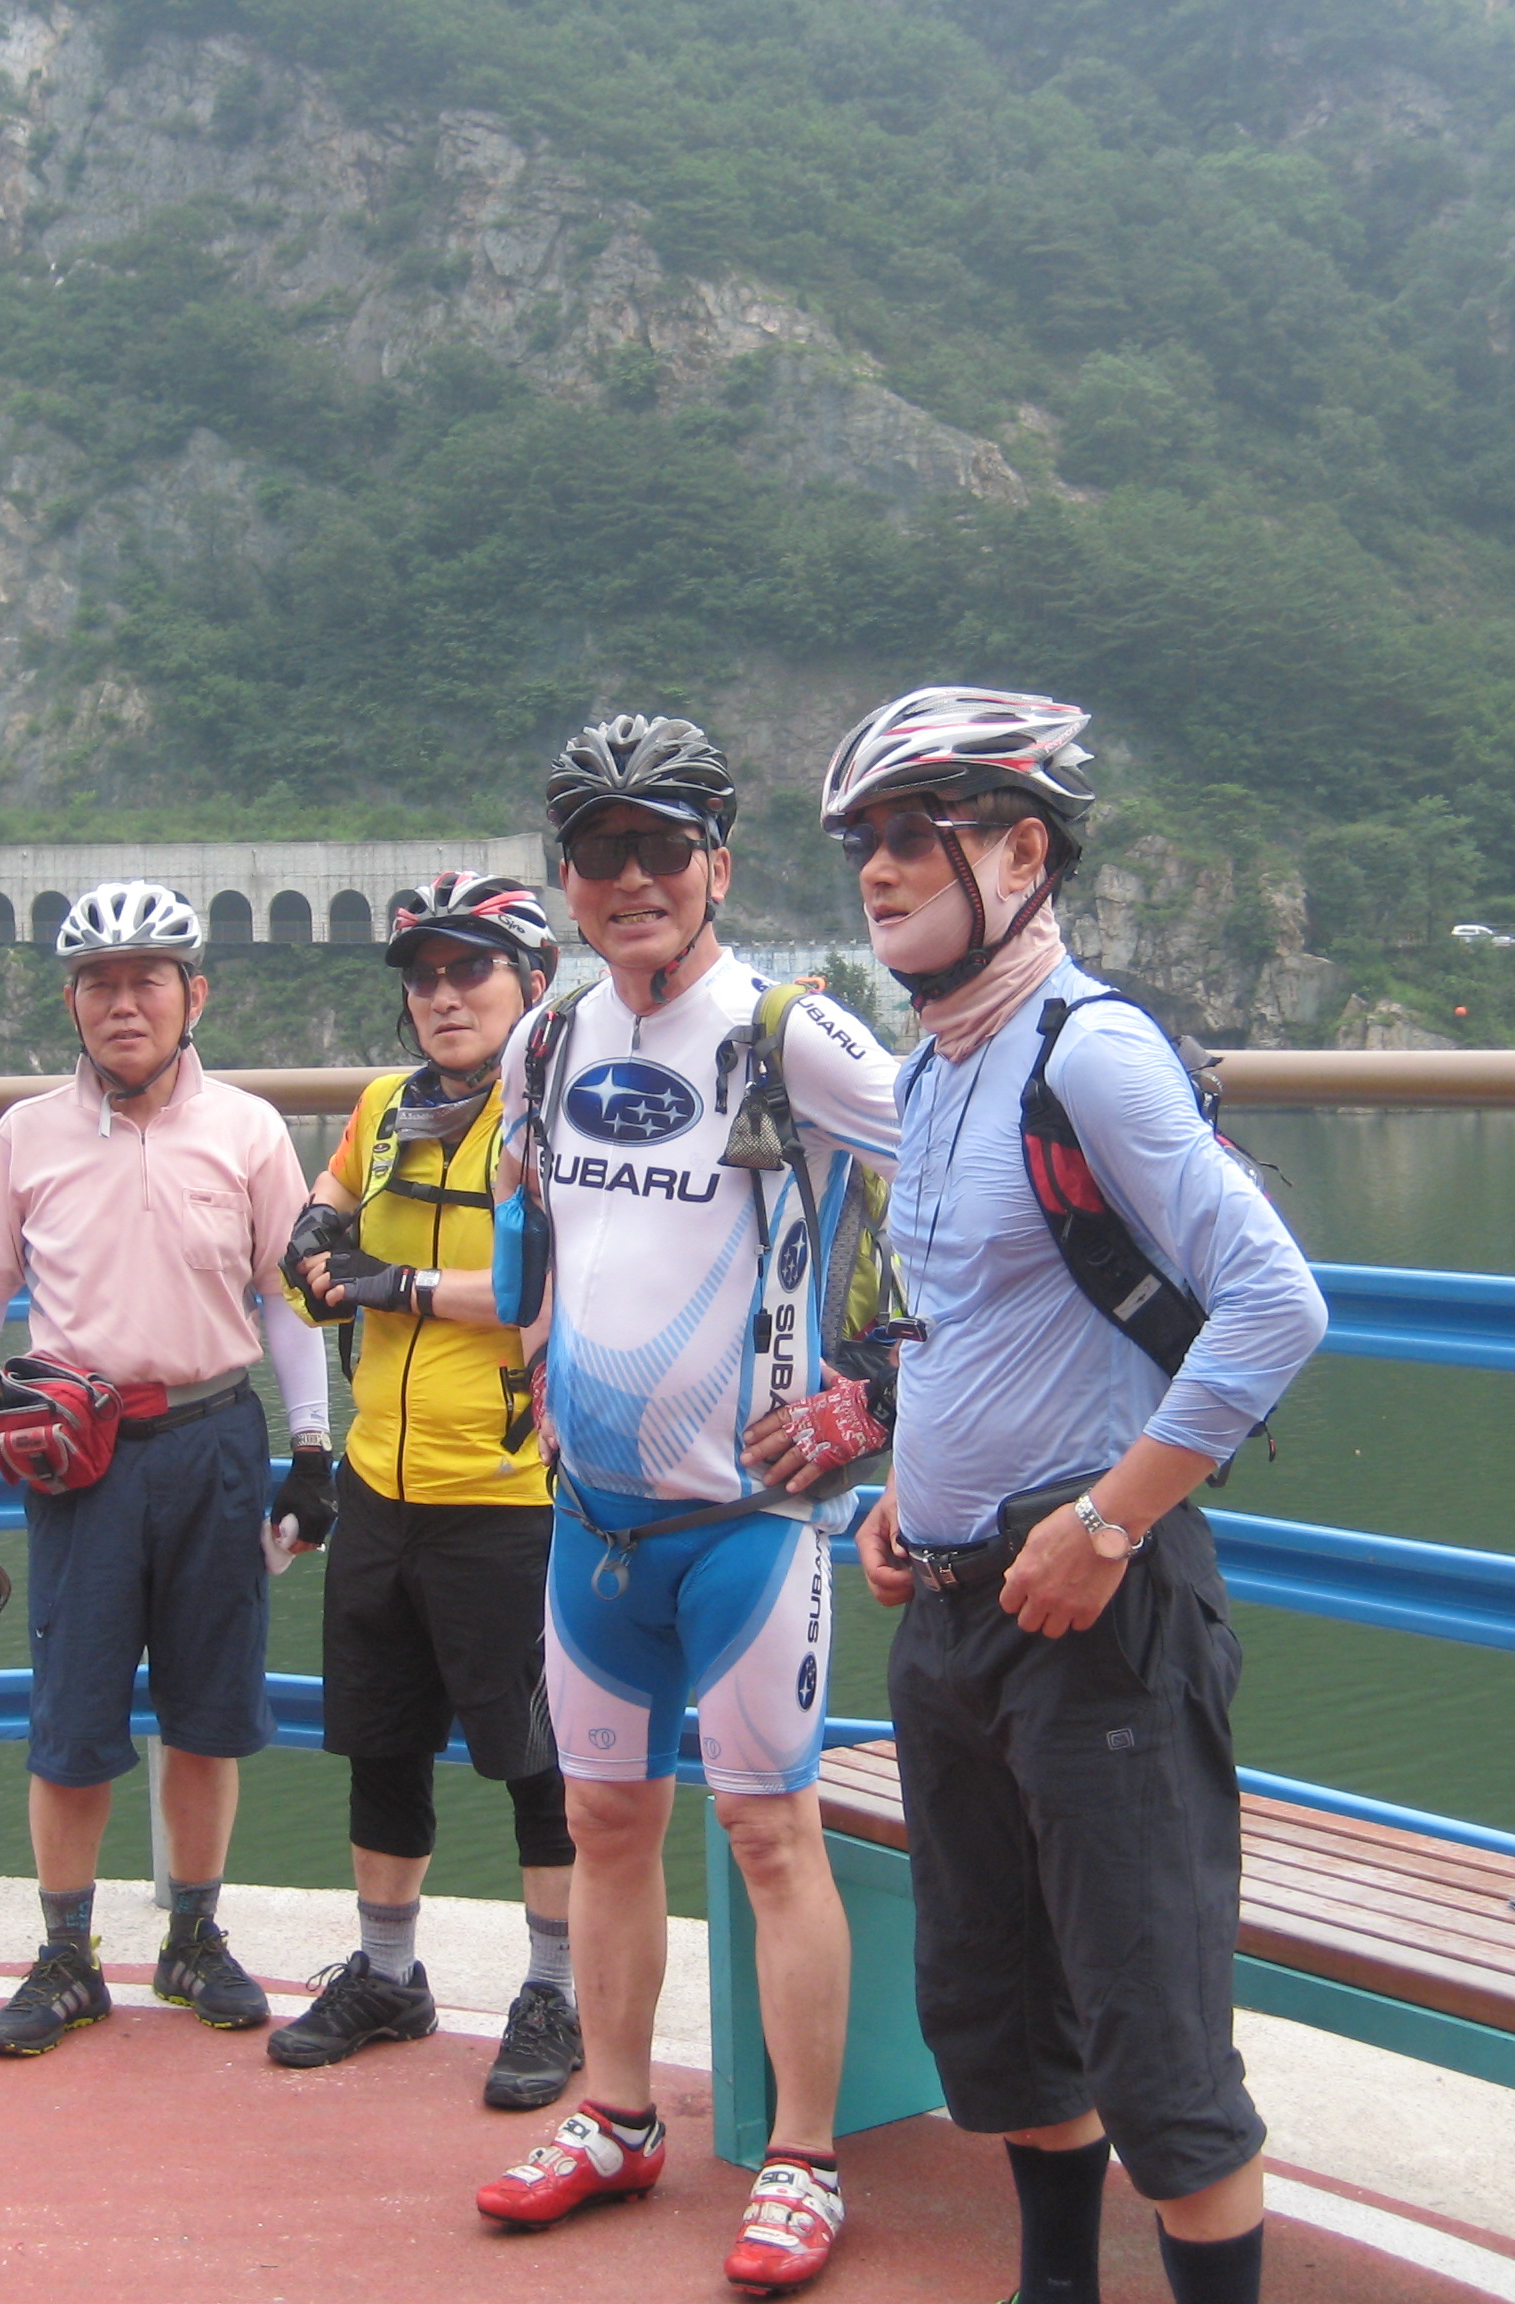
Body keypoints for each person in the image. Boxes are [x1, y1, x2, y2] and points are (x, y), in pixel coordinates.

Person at [781, 688, 1327, 2304]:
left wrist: (1107, 1523)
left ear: (1022, 853)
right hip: (956, 1609)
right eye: (864, 842)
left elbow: (1275, 1302)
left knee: (1158, 2051)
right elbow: (961, 1316)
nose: (879, 869)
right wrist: (907, 1491)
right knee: (1005, 2019)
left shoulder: (1088, 1051)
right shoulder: (933, 1069)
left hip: (1097, 1617)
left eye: (915, 833)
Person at [474, 715, 902, 2297]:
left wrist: (877, 1395)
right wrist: (537, 1357)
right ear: (569, 879)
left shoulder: (793, 1034)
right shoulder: (543, 1042)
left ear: (719, 864)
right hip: (595, 1525)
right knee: (603, 1823)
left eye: (665, 846)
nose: (634, 877)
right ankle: (615, 2114)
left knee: (770, 1834)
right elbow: (531, 1224)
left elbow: (958, 1199)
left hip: (747, 1527)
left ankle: (803, 2156)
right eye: (603, 851)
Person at [0, 879, 340, 2057]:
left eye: (147, 980)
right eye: (98, 984)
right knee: (73, 1718)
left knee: (208, 1714)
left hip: (214, 1442)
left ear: (195, 996)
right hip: (79, 1459)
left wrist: (312, 1452)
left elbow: (288, 1300)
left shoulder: (249, 1130)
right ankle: (67, 1957)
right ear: (72, 1005)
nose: (122, 1004)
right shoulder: (26, 1135)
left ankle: (193, 1938)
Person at [264, 869, 586, 2112]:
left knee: (536, 1758)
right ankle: (390, 1976)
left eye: (471, 971)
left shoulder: (561, 1116)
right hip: (380, 1478)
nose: (444, 997)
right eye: (424, 977)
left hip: (510, 1490)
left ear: (532, 983)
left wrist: (387, 1284)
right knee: (382, 1738)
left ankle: (551, 1990)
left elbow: (540, 1291)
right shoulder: (386, 1105)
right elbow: (323, 1224)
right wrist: (313, 1243)